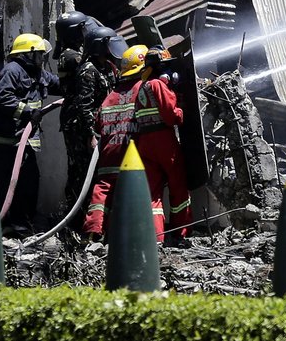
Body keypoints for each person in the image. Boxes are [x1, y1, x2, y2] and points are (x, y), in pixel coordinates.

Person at [0, 33, 61, 234]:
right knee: (2, 185)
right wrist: (27, 112)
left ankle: (22, 224)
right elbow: (5, 97)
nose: (42, 59)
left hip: (20, 142)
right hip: (1, 141)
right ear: (28, 54)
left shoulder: (37, 73)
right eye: (39, 55)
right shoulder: (12, 71)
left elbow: (57, 84)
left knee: (28, 182)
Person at [62, 25, 126, 226]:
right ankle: (74, 220)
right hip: (81, 130)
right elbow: (84, 106)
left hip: (102, 128)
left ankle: (95, 220)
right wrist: (91, 134)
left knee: (100, 174)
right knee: (81, 173)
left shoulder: (108, 68)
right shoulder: (88, 72)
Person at [133, 45, 192, 243]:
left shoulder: (142, 86)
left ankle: (156, 238)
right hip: (163, 141)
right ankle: (181, 231)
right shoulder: (158, 85)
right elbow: (169, 114)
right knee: (177, 184)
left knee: (153, 192)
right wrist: (182, 111)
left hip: (145, 143)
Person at [82, 44, 141, 239]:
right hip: (131, 156)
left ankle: (93, 233)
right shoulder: (143, 89)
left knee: (101, 194)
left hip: (108, 155)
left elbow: (98, 124)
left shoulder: (109, 97)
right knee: (135, 194)